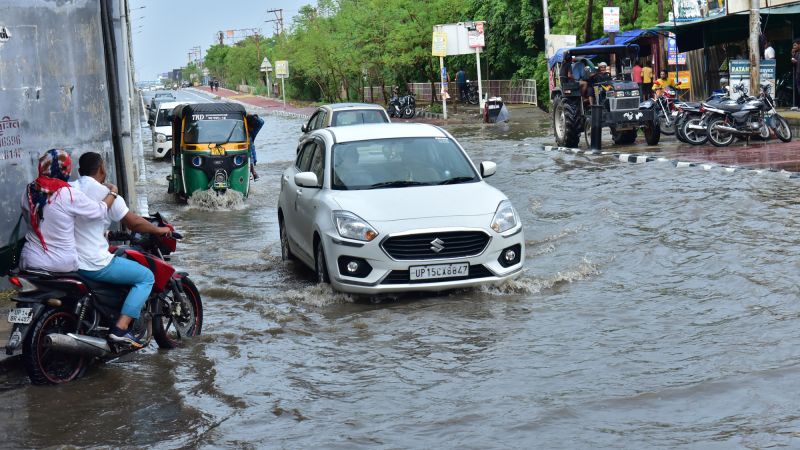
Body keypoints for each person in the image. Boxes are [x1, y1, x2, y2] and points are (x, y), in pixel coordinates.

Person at [72, 152, 172, 348]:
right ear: (102, 169)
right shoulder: (106, 193)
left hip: (69, 261)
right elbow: (134, 223)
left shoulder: (70, 189)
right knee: (145, 277)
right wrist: (160, 230)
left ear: (79, 171)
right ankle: (121, 329)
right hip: (93, 263)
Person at [20, 149, 114, 273]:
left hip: (29, 259)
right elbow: (99, 211)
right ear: (66, 170)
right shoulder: (68, 194)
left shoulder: (29, 191)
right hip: (60, 263)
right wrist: (113, 192)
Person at [246, 113, 265, 181]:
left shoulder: (252, 132)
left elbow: (261, 122)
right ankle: (253, 172)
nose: (251, 128)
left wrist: (255, 116)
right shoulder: (242, 129)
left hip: (250, 158)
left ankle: (253, 172)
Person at [792, 39, 800, 111]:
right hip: (797, 74)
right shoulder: (796, 53)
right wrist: (793, 54)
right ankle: (798, 106)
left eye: (795, 45)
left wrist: (796, 61)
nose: (794, 47)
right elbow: (793, 64)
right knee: (798, 90)